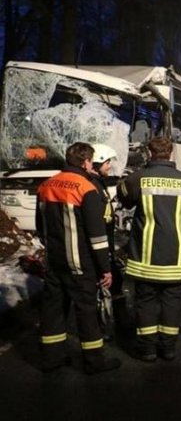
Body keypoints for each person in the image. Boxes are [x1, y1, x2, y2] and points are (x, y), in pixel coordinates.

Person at [36, 142, 121, 374]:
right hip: (80, 264)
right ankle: (94, 361)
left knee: (53, 310)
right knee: (86, 312)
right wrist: (105, 268)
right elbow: (97, 236)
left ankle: (51, 359)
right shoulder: (86, 188)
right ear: (86, 162)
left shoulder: (46, 185)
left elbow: (39, 225)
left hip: (54, 262)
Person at [117, 137, 181, 362]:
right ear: (171, 153)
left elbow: (122, 196)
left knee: (145, 304)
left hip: (145, 260)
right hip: (176, 260)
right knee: (172, 304)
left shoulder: (140, 178)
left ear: (150, 154)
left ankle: (148, 350)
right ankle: (169, 348)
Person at [90, 144, 131, 332]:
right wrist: (103, 260)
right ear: (98, 163)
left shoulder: (98, 185)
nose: (109, 166)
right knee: (105, 287)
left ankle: (119, 323)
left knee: (115, 284)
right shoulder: (93, 187)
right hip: (98, 248)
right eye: (107, 163)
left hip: (104, 246)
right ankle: (104, 329)